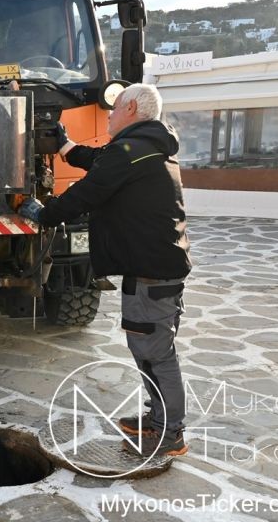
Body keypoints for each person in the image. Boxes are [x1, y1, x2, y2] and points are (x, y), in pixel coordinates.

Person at [17, 83, 192, 458]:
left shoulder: (131, 152)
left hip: (152, 272)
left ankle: (170, 433)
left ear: (132, 110)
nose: (109, 115)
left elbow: (87, 192)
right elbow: (99, 161)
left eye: (115, 109)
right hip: (153, 268)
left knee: (156, 354)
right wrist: (66, 146)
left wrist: (44, 214)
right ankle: (158, 418)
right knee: (149, 351)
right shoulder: (142, 147)